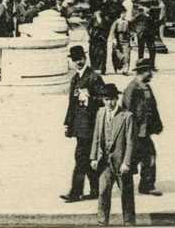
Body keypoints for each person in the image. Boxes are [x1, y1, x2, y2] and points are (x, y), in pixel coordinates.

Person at [61, 46, 104, 203]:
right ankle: (95, 189)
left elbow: (105, 100)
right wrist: (68, 124)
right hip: (79, 127)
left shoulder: (93, 77)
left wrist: (90, 98)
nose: (78, 62)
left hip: (90, 126)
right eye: (74, 59)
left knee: (81, 158)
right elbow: (71, 104)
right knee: (85, 159)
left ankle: (75, 192)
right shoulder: (75, 78)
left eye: (80, 58)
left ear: (85, 58)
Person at [90, 83, 136, 226]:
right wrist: (93, 157)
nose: (109, 103)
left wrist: (126, 162)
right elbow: (96, 137)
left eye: (111, 99)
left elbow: (130, 142)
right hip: (105, 162)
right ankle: (102, 222)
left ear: (117, 98)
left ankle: (129, 222)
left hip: (121, 163)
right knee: (103, 191)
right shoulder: (100, 113)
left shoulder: (127, 116)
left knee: (126, 194)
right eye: (106, 99)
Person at [121, 60, 163, 196]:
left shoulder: (145, 87)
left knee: (148, 156)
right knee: (132, 158)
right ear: (143, 72)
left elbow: (152, 108)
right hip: (135, 132)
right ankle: (132, 185)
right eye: (149, 71)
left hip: (144, 131)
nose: (151, 74)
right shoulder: (132, 89)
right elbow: (126, 111)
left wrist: (157, 125)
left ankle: (146, 185)